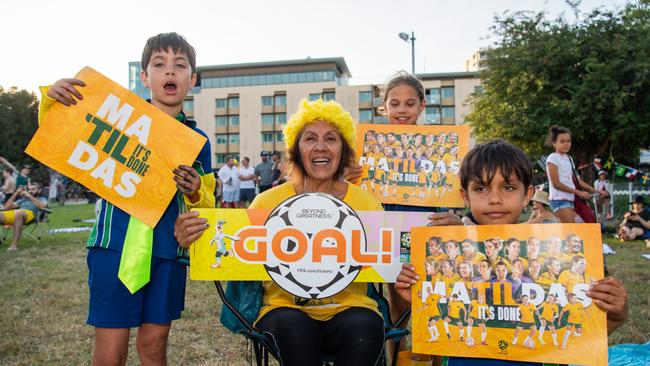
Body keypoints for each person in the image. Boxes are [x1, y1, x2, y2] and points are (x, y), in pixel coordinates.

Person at [42, 32, 215, 366]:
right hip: (114, 244)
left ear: (191, 79)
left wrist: (194, 189)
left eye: (180, 66)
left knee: (153, 346)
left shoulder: (198, 140)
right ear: (144, 76)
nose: (170, 72)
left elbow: (205, 204)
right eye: (159, 64)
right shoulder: (115, 117)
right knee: (110, 352)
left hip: (167, 251)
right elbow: (64, 139)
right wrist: (52, 101)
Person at [176, 99, 385, 366]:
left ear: (343, 150)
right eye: (310, 138)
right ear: (296, 150)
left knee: (365, 328)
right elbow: (228, 249)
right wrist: (192, 237)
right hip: (283, 309)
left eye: (331, 139)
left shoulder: (366, 204)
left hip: (351, 309)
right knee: (294, 328)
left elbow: (391, 260)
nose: (320, 146)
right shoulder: (265, 202)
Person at [394, 139, 628, 365]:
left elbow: (581, 332)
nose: (495, 199)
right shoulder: (454, 256)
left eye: (508, 187)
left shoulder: (552, 250)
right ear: (465, 195)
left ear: (527, 194)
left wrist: (616, 314)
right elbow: (442, 324)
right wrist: (416, 296)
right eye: (481, 188)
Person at [545, 126, 601, 223]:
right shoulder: (552, 158)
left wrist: (594, 190)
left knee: (569, 232)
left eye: (568, 141)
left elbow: (575, 180)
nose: (566, 144)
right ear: (554, 143)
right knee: (571, 232)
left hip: (569, 199)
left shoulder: (569, 158)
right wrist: (579, 193)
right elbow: (556, 184)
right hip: (559, 199)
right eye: (562, 141)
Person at [0, 183, 47, 251]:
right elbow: (6, 207)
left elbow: (42, 206)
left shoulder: (42, 199)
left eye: (33, 189)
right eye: (29, 189)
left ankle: (14, 246)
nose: (30, 191)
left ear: (39, 191)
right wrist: (16, 193)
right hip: (16, 213)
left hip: (29, 215)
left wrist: (29, 196)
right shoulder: (23, 200)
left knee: (19, 213)